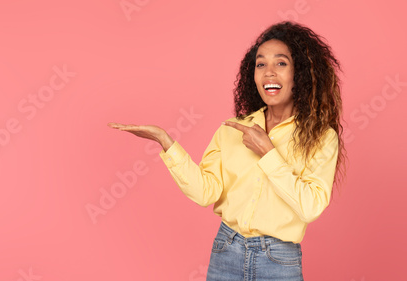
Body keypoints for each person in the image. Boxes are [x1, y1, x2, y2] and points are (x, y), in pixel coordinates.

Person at [107, 21, 345, 281]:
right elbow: (205, 191)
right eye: (261, 64)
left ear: (298, 74)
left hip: (278, 260)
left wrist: (268, 153)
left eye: (281, 63)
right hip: (226, 250)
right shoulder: (233, 129)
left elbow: (309, 207)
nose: (269, 73)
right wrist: (166, 142)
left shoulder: (321, 137)